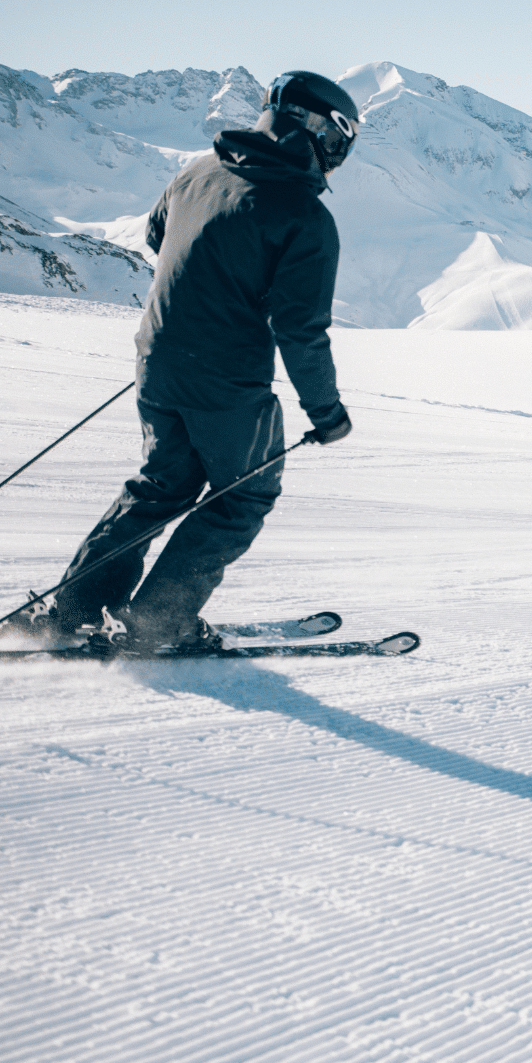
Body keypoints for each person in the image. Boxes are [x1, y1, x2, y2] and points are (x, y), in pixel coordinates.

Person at [46, 70, 361, 652]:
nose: (339, 159)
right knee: (243, 494)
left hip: (157, 358)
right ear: (319, 131)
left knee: (160, 486)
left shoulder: (196, 170)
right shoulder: (303, 216)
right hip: (227, 380)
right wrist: (327, 411)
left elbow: (157, 235)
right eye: (342, 142)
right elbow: (302, 330)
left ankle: (76, 610)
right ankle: (157, 623)